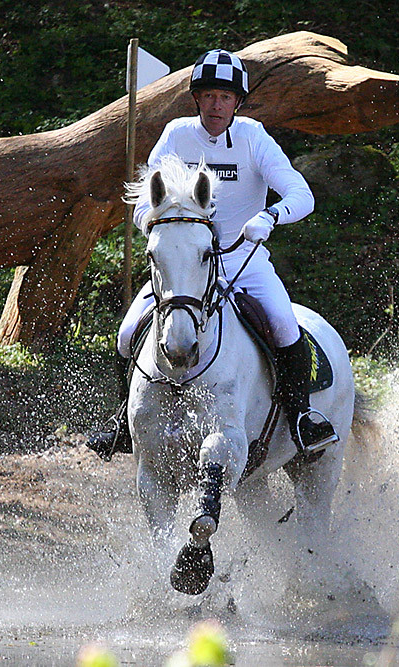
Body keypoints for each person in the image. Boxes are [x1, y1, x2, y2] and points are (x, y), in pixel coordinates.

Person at [87, 48, 337, 460]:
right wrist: (156, 225)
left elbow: (301, 194)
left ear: (237, 102)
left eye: (224, 97)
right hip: (184, 266)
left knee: (284, 324)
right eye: (208, 96)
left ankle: (301, 417)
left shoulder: (255, 138)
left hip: (243, 259)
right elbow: (144, 204)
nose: (216, 105)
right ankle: (121, 421)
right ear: (196, 99)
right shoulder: (176, 135)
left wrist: (270, 216)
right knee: (128, 331)